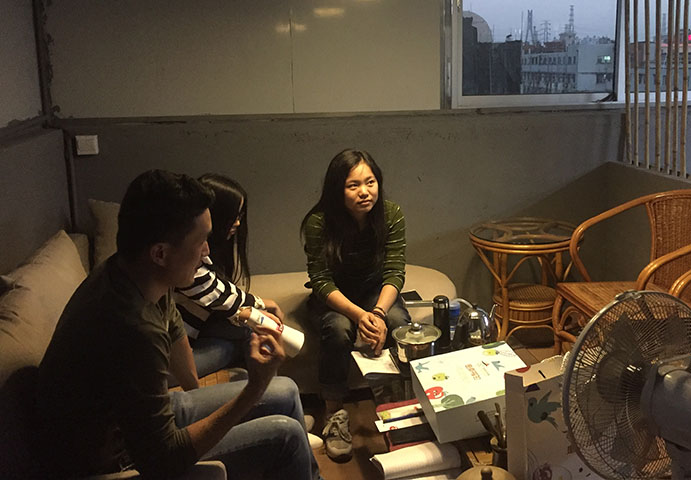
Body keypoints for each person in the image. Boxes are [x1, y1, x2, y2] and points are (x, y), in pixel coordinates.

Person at [36, 170, 321, 480]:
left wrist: (199, 397)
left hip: (141, 419)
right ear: (160, 253)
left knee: (285, 390)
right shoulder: (132, 328)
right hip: (117, 459)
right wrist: (254, 388)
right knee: (287, 435)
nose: (207, 251)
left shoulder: (134, 273)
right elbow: (164, 460)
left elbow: (174, 330)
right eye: (200, 242)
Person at [301, 149, 410, 462]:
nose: (365, 191)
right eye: (353, 185)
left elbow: (395, 271)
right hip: (334, 296)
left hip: (375, 292)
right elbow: (321, 281)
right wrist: (361, 315)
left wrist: (377, 313)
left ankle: (402, 408)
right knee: (338, 328)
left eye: (370, 182)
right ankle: (334, 412)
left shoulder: (391, 214)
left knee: (400, 325)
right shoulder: (319, 222)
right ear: (338, 189)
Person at [175, 173, 283, 379]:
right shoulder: (186, 261)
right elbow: (220, 294)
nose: (238, 223)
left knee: (249, 334)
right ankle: (268, 388)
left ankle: (265, 386)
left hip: (197, 337)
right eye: (233, 216)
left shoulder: (209, 254)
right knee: (250, 334)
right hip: (172, 360)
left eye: (240, 216)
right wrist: (263, 304)